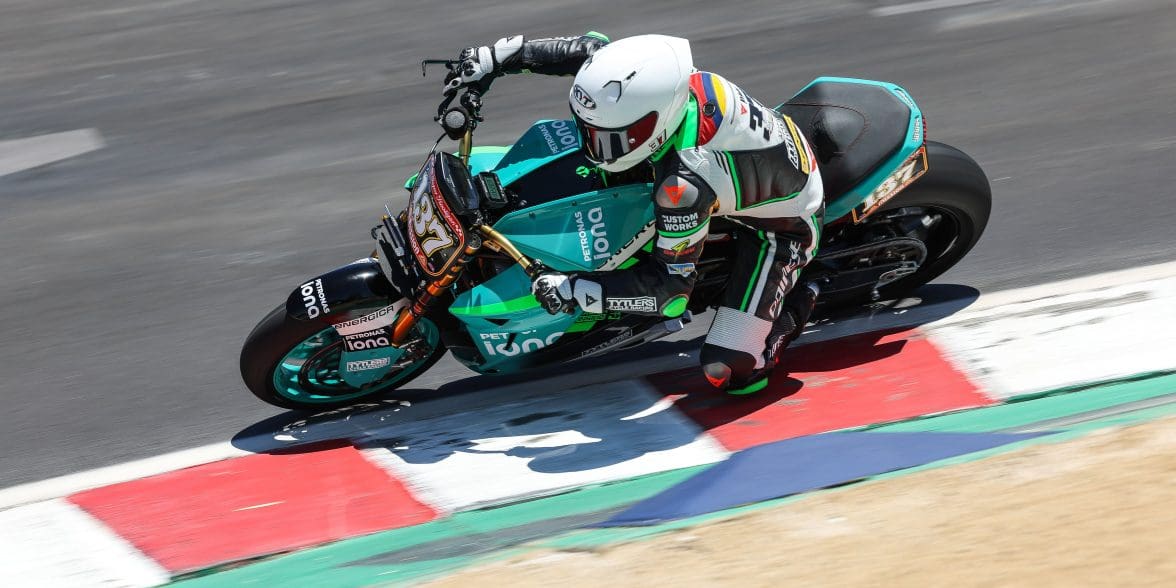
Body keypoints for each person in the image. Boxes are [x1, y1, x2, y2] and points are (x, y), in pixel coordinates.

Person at [443, 33, 823, 395]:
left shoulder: (681, 187)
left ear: (655, 123)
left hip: (782, 230)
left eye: (608, 138)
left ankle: (807, 291)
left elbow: (670, 293)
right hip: (740, 167)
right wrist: (493, 59)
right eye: (587, 130)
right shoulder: (651, 81)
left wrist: (574, 289)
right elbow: (586, 51)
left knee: (729, 370)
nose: (593, 145)